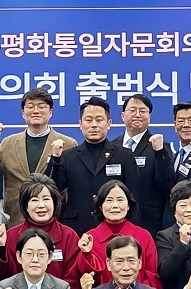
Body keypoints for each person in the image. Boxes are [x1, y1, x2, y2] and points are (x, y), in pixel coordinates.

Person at [0, 88, 76, 225]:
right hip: (16, 218)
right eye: (30, 106)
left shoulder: (68, 144)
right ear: (23, 113)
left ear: (50, 112)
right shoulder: (8, 143)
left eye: (41, 106)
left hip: (54, 220)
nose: (36, 111)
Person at [47, 96, 142, 228]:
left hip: (115, 225)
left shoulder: (124, 155)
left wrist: (131, 229)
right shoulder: (68, 156)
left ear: (109, 123)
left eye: (99, 120)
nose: (94, 125)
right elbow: (53, 189)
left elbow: (133, 196)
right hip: (77, 226)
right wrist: (56, 159)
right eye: (88, 120)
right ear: (80, 124)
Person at [0, 175, 80, 289]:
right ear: (26, 206)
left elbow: (73, 279)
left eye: (46, 199)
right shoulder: (11, 235)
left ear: (54, 202)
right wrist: (1, 247)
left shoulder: (69, 236)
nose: (41, 205)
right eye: (34, 200)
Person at [76, 179, 161, 289]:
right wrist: (87, 254)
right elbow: (86, 279)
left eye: (120, 200)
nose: (115, 205)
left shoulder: (143, 236)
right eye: (109, 200)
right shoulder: (90, 238)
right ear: (101, 206)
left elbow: (152, 277)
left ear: (128, 205)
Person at [114, 93, 175, 234]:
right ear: (123, 116)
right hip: (115, 219)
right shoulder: (112, 146)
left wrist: (160, 152)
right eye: (132, 110)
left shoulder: (159, 146)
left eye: (143, 111)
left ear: (149, 117)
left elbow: (167, 183)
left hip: (148, 222)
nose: (137, 115)